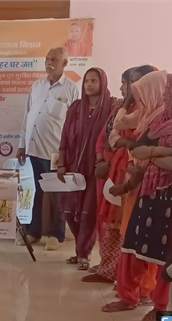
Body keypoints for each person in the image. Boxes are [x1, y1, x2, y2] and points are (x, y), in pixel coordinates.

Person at [110, 72, 172, 321]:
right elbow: (136, 148)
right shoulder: (160, 119)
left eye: (171, 91)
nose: (167, 95)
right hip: (148, 190)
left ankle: (161, 305)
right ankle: (128, 296)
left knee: (165, 251)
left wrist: (151, 153)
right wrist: (161, 152)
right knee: (133, 243)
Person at [87, 66, 157, 288]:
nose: (127, 87)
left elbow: (127, 138)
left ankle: (123, 276)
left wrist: (123, 144)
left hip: (130, 170)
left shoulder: (146, 111)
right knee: (109, 221)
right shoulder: (122, 108)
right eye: (129, 82)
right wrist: (102, 158)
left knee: (123, 225)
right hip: (115, 167)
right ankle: (108, 268)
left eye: (132, 82)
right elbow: (108, 136)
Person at [17, 47, 79, 250]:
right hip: (34, 148)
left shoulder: (71, 89)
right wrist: (22, 145)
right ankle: (33, 231)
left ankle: (57, 235)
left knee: (56, 194)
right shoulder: (37, 85)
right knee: (35, 191)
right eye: (47, 59)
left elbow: (74, 125)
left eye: (54, 59)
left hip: (55, 152)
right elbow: (28, 116)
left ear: (64, 63)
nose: (49, 62)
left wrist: (68, 154)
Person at [56, 67, 113, 270]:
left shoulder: (110, 108)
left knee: (88, 213)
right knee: (69, 211)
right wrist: (61, 163)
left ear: (102, 83)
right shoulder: (76, 108)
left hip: (95, 169)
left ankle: (83, 254)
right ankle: (79, 251)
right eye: (87, 81)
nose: (89, 84)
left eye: (94, 81)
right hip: (73, 166)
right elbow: (65, 136)